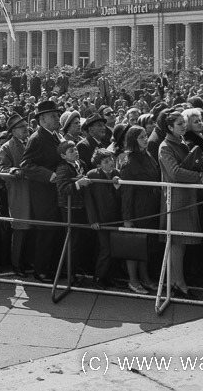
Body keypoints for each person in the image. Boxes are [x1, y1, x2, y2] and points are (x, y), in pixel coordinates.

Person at [158, 111, 203, 299]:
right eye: (179, 124)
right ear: (169, 127)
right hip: (175, 198)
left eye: (184, 123)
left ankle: (177, 280)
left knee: (181, 242)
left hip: (185, 196)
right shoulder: (165, 146)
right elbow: (175, 173)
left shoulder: (181, 141)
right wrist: (200, 177)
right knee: (176, 242)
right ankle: (178, 283)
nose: (184, 126)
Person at [20, 100, 65, 282]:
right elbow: (26, 165)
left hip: (54, 192)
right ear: (43, 120)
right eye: (53, 116)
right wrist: (49, 175)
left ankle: (54, 268)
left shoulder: (55, 136)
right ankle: (41, 270)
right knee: (46, 232)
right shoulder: (37, 138)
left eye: (57, 115)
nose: (57, 118)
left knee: (55, 231)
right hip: (43, 193)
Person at [119, 125, 160, 294]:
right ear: (133, 140)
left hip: (151, 206)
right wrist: (127, 218)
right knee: (135, 245)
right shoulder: (129, 162)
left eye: (146, 135)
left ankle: (145, 278)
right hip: (138, 207)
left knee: (147, 244)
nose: (146, 139)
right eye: (141, 137)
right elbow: (126, 193)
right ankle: (133, 280)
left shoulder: (148, 155)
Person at [0, 113, 32, 277]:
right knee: (20, 228)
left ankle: (28, 260)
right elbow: (1, 169)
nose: (26, 129)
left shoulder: (31, 142)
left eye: (26, 126)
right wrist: (13, 170)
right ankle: (16, 263)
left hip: (33, 190)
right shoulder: (7, 147)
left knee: (33, 227)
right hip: (18, 192)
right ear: (13, 131)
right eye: (21, 127)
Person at [83, 148, 121, 289]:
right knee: (105, 249)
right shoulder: (92, 175)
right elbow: (89, 200)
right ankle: (99, 277)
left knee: (114, 248)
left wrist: (117, 187)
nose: (111, 163)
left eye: (111, 159)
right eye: (106, 161)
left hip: (115, 217)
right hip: (101, 218)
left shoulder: (116, 174)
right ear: (99, 165)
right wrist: (93, 220)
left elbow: (121, 197)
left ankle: (110, 277)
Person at [54, 139, 92, 279]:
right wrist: (77, 184)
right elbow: (62, 189)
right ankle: (71, 273)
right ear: (63, 156)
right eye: (71, 151)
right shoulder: (63, 168)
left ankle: (78, 268)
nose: (75, 152)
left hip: (81, 205)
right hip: (69, 207)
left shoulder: (81, 164)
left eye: (75, 149)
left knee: (81, 239)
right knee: (72, 240)